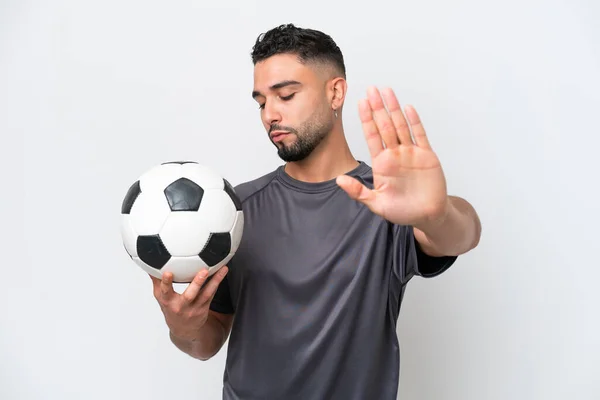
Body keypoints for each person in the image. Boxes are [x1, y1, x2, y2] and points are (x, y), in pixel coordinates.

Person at [150, 24, 482, 400]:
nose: (269, 114)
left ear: (335, 92)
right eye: (261, 102)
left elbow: (463, 233)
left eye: (286, 95)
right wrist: (183, 327)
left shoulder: (388, 201)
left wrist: (434, 214)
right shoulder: (234, 211)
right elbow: (206, 343)